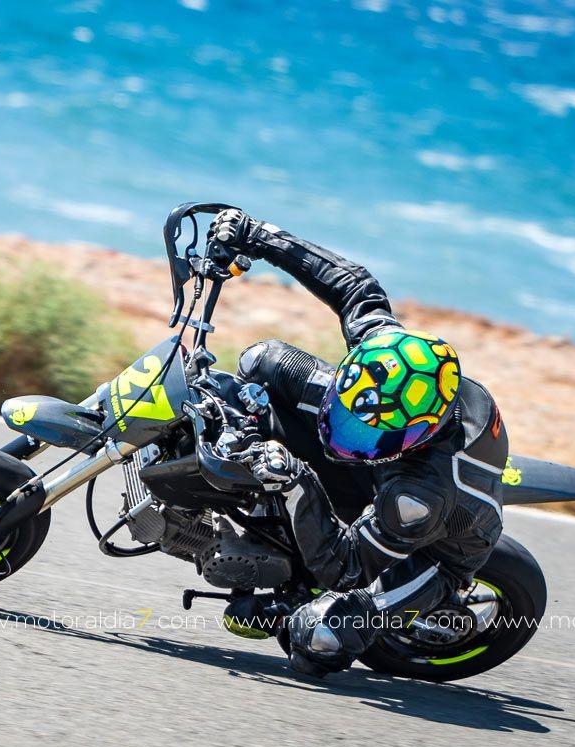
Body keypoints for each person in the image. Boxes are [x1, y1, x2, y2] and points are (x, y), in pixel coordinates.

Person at [208, 208, 508, 678]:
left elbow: (345, 568)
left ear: (416, 436)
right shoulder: (394, 356)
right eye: (349, 419)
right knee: (262, 361)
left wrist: (297, 481)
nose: (347, 437)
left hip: (435, 551)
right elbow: (355, 285)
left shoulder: (418, 497)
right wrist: (258, 235)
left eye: (366, 433)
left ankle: (293, 607)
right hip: (384, 464)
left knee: (318, 636)